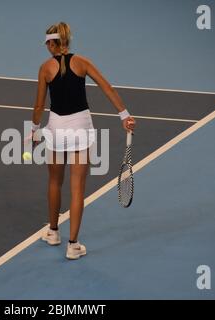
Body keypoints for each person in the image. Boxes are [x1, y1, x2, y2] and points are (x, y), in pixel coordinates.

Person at [31, 22, 135, 260]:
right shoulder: (83, 62)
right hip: (81, 128)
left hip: (56, 129)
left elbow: (39, 106)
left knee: (54, 182)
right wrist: (124, 115)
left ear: (51, 43)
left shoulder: (45, 68)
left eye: (46, 43)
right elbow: (107, 88)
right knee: (77, 188)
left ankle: (53, 232)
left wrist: (35, 129)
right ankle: (73, 245)